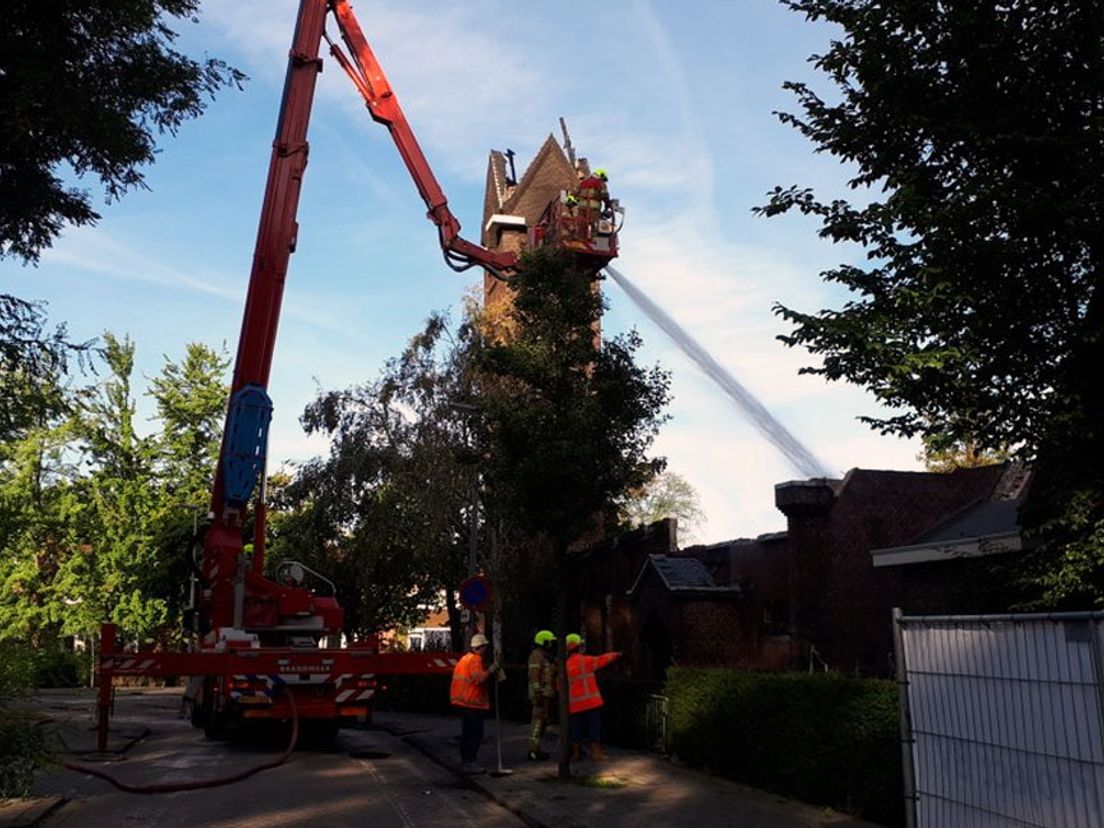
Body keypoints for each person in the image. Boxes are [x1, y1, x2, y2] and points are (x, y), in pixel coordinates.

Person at [565, 633, 621, 761]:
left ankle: (576, 754)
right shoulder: (586, 661)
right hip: (591, 702)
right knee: (594, 729)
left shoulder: (565, 666)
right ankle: (596, 753)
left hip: (575, 705)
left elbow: (559, 686)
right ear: (579, 647)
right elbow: (602, 659)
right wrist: (616, 655)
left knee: (576, 730)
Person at [450, 633, 498, 774]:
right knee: (475, 734)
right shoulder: (476, 660)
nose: (486, 650)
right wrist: (491, 669)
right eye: (485, 647)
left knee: (467, 734)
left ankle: (466, 762)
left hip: (463, 702)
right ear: (480, 647)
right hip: (473, 703)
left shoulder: (464, 659)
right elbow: (479, 679)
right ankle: (470, 763)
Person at [527, 629, 557, 760]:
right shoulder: (537, 655)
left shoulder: (545, 656)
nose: (551, 644)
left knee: (542, 722)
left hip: (547, 694)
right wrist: (537, 693)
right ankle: (533, 750)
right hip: (541, 695)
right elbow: (534, 675)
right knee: (538, 722)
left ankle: (536, 748)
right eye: (550, 642)